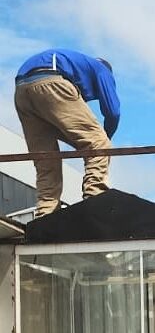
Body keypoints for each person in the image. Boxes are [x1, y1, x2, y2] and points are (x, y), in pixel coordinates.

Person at [14, 49, 119, 217]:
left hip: (22, 90)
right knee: (99, 142)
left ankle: (46, 213)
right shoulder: (102, 69)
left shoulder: (78, 66)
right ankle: (95, 197)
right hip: (52, 80)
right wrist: (104, 139)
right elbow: (113, 112)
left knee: (46, 158)